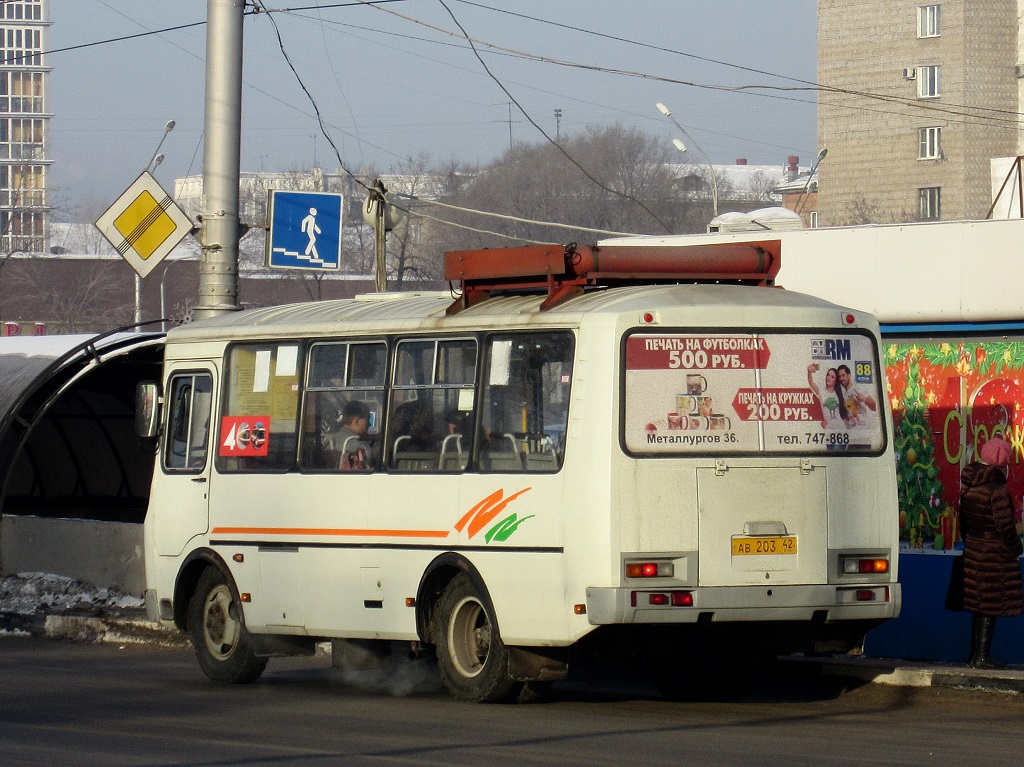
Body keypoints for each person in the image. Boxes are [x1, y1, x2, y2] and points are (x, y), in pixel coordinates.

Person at [958, 436, 1023, 668]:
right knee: (990, 605)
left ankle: (975, 656)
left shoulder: (970, 485)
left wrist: (971, 542)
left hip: (975, 550)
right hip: (994, 554)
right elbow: (1005, 526)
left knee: (979, 604)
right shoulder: (997, 490)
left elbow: (962, 521)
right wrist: (1017, 547)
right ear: (1002, 463)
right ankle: (982, 657)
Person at [332, 399, 374, 469]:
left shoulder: (333, 438)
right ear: (356, 421)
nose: (369, 424)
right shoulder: (357, 445)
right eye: (367, 420)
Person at [806, 363, 849, 429]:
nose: (829, 378)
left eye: (832, 377)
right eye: (828, 375)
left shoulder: (840, 394)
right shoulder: (821, 392)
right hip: (828, 429)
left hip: (841, 428)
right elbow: (811, 382)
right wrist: (809, 371)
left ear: (836, 381)